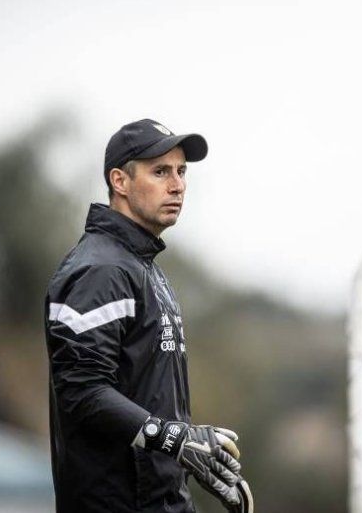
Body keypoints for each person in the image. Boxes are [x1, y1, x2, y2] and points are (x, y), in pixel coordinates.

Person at [43, 119, 253, 513]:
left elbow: (146, 402)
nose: (177, 185)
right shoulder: (100, 271)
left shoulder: (143, 268)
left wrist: (188, 456)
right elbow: (82, 391)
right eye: (160, 172)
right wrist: (175, 438)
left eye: (181, 171)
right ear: (119, 181)